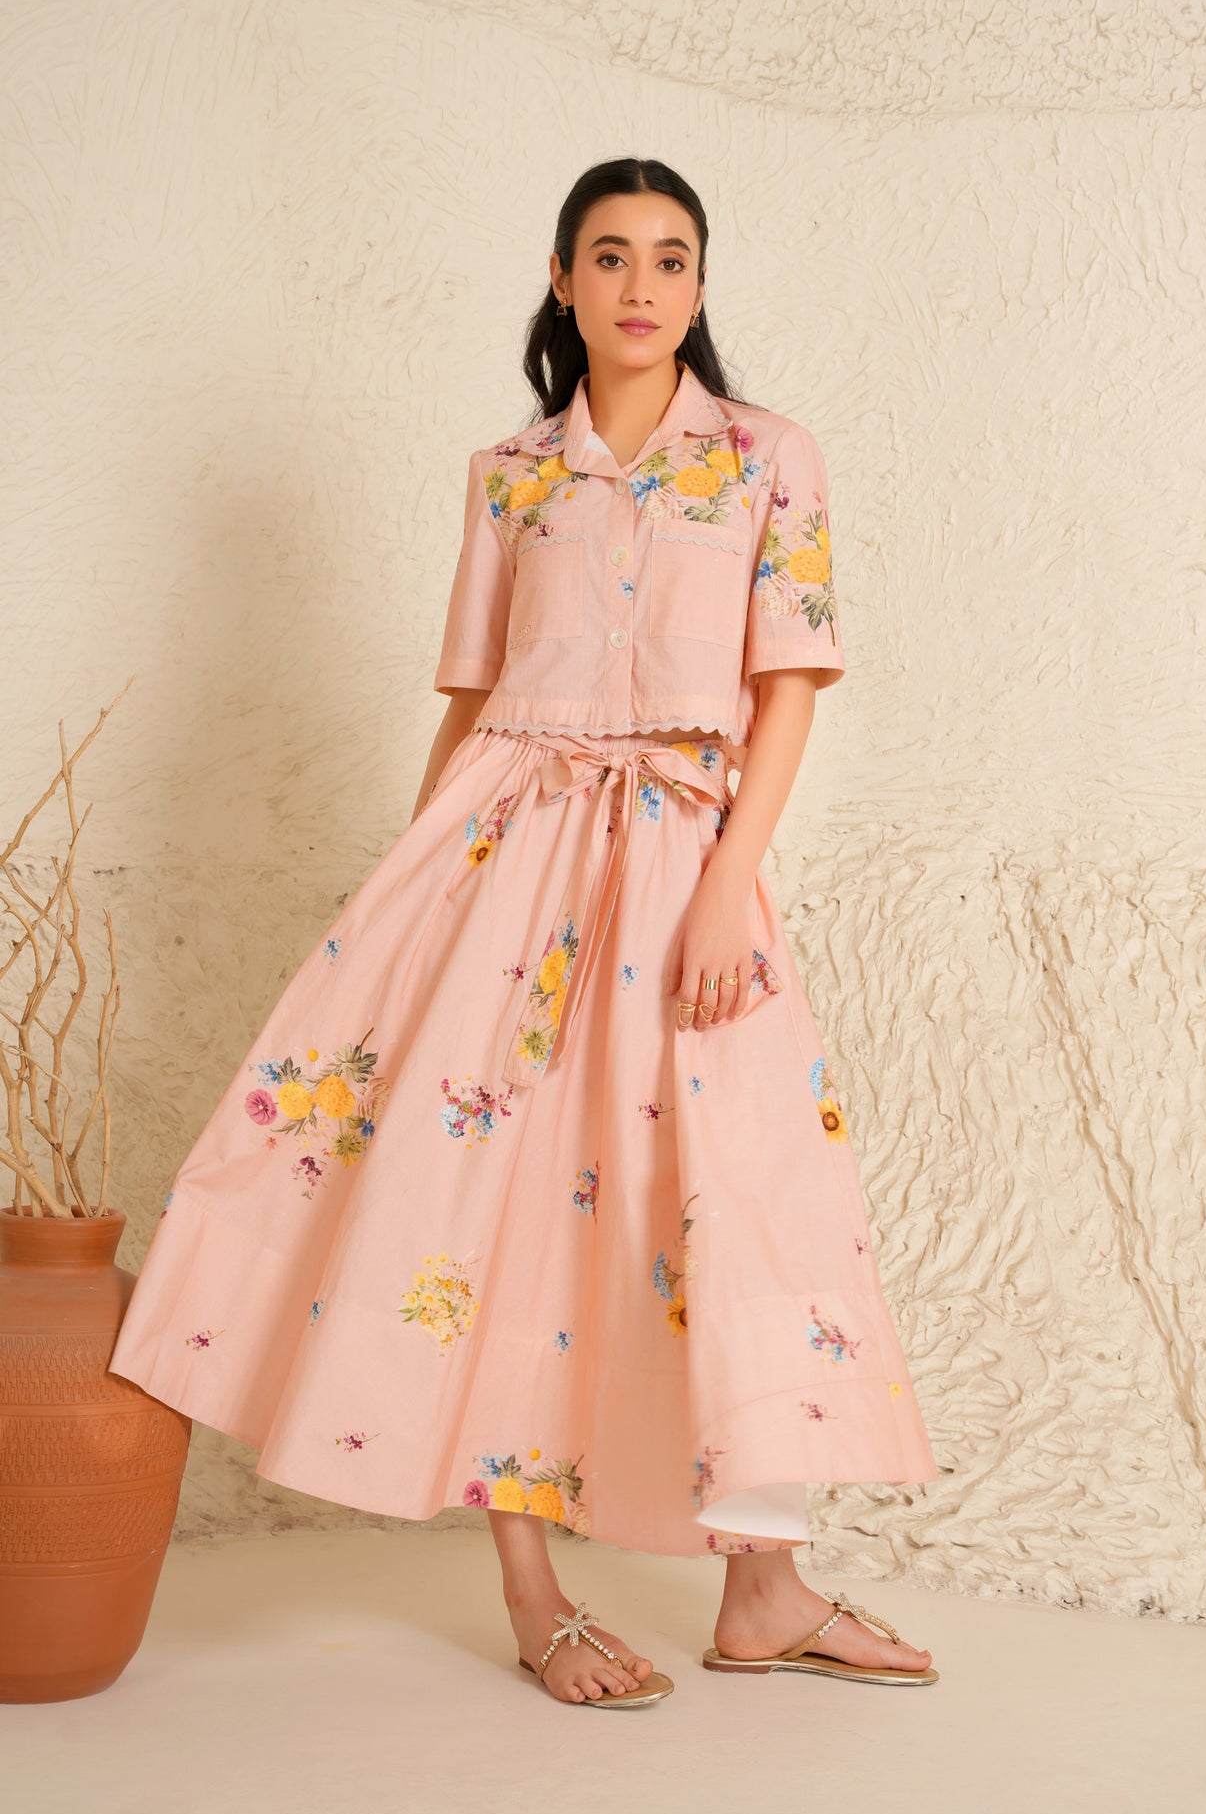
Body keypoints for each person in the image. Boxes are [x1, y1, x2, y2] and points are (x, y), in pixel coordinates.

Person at [110, 157, 941, 1708]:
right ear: (563, 280)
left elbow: (787, 692)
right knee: (490, 1197)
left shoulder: (768, 458)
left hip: (687, 856)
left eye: (673, 258)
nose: (643, 285)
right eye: (611, 256)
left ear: (702, 284)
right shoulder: (510, 476)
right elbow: (476, 700)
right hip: (506, 860)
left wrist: (727, 885)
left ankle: (765, 1588)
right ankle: (533, 1590)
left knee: (741, 1192)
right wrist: (410, 900)